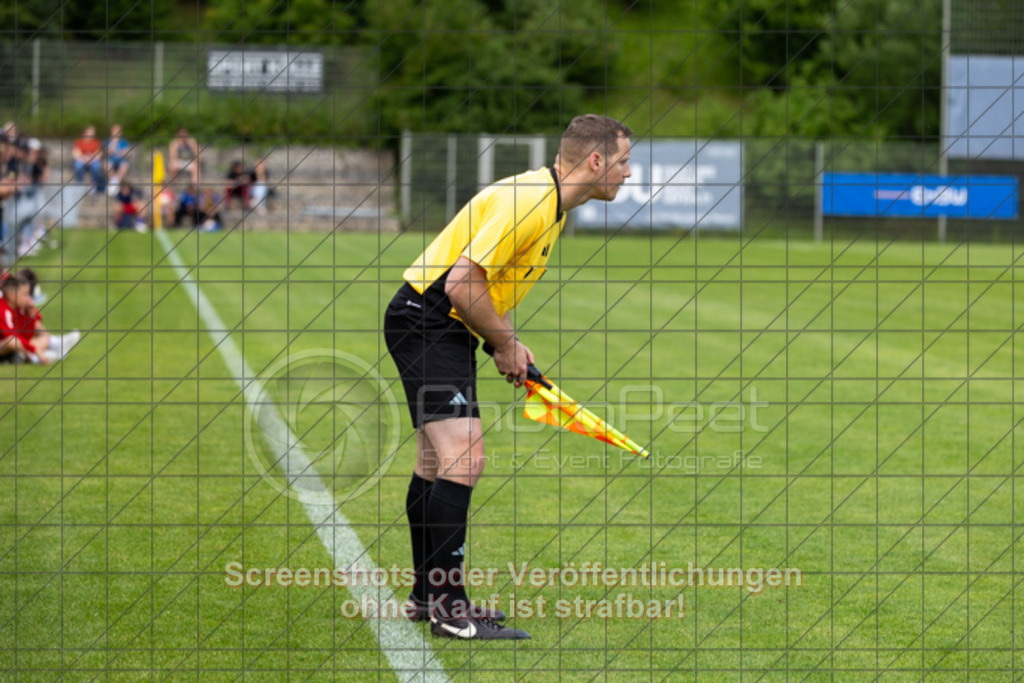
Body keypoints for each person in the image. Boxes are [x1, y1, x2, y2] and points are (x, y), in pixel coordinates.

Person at [383, 114, 632, 640]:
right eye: (624, 161)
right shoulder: (532, 203)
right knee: (463, 456)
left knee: (435, 460)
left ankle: (428, 598)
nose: (628, 173)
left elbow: (486, 289)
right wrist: (502, 342)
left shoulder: (550, 203)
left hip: (434, 321)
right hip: (430, 318)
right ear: (595, 160)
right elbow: (460, 284)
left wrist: (506, 340)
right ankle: (451, 611)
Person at [72, 125, 104, 192]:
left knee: (96, 166)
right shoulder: (79, 141)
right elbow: (76, 153)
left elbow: (99, 153)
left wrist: (91, 159)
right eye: (90, 132)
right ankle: (79, 183)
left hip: (93, 160)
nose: (92, 134)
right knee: (78, 165)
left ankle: (94, 184)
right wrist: (84, 158)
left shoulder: (96, 142)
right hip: (82, 160)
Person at [105, 124, 131, 195]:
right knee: (107, 164)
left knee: (124, 165)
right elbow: (107, 151)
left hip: (121, 160)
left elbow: (127, 152)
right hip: (111, 159)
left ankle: (115, 182)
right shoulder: (108, 141)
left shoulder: (124, 142)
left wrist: (122, 152)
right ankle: (113, 182)